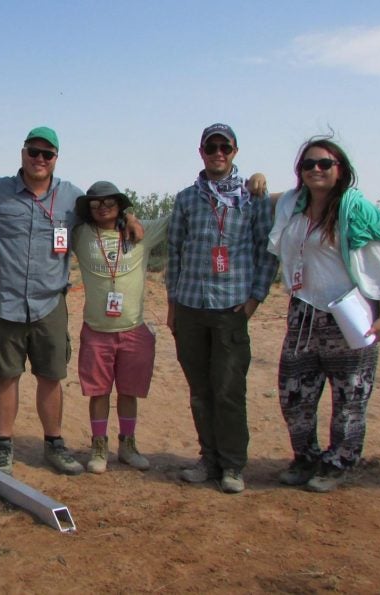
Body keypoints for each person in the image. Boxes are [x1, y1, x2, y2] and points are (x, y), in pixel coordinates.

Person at [0, 127, 144, 476]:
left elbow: (106, 212)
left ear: (56, 158)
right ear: (22, 153)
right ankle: (5, 445)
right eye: (33, 152)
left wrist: (130, 216)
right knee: (6, 376)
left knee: (50, 377)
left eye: (47, 154)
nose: (39, 159)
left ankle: (54, 444)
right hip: (6, 302)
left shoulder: (72, 197)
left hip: (50, 304)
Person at [267, 137, 380, 493]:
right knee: (294, 394)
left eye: (324, 164)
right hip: (303, 313)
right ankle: (306, 457)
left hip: (349, 314)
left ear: (341, 170)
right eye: (308, 164)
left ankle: (339, 462)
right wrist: (257, 179)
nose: (316, 169)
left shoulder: (357, 211)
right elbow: (266, 200)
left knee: (350, 397)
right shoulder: (294, 206)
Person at [166, 123, 278, 494]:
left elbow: (266, 250)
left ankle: (232, 466)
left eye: (224, 147)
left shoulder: (252, 197)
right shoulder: (186, 199)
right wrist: (172, 304)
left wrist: (253, 300)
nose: (217, 152)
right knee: (200, 390)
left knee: (228, 390)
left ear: (234, 152)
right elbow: (175, 252)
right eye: (211, 146)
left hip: (231, 308)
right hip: (190, 306)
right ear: (201, 152)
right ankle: (208, 459)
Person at [71, 181, 168, 473]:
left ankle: (127, 444)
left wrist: (133, 218)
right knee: (98, 392)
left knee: (129, 391)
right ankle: (99, 445)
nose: (102, 206)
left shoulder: (142, 233)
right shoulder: (80, 234)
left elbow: (177, 216)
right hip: (96, 331)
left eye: (109, 201)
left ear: (120, 204)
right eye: (96, 202)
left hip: (134, 330)